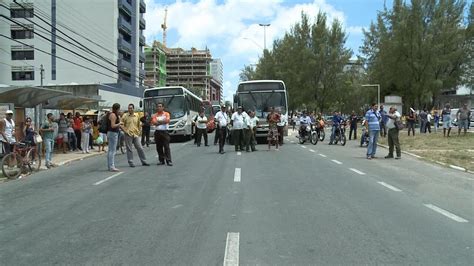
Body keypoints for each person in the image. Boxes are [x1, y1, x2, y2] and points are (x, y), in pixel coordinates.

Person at [107, 103, 124, 172]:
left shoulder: (112, 114)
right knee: (112, 150)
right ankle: (112, 166)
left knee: (110, 150)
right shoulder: (113, 115)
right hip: (113, 133)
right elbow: (113, 125)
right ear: (117, 108)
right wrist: (119, 123)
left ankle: (110, 165)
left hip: (111, 133)